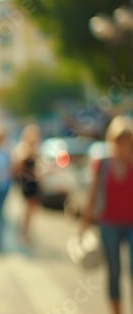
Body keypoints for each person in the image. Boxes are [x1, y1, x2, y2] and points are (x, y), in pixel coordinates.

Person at [80, 115, 133, 314]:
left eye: (128, 141)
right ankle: (116, 310)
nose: (124, 146)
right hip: (108, 224)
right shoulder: (103, 164)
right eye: (120, 141)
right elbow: (92, 195)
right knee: (114, 271)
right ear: (113, 141)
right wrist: (84, 223)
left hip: (131, 224)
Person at [11, 123, 41, 244]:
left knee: (32, 208)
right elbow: (16, 167)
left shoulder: (35, 149)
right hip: (27, 182)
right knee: (27, 208)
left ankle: (25, 229)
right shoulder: (23, 149)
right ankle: (23, 230)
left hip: (33, 182)